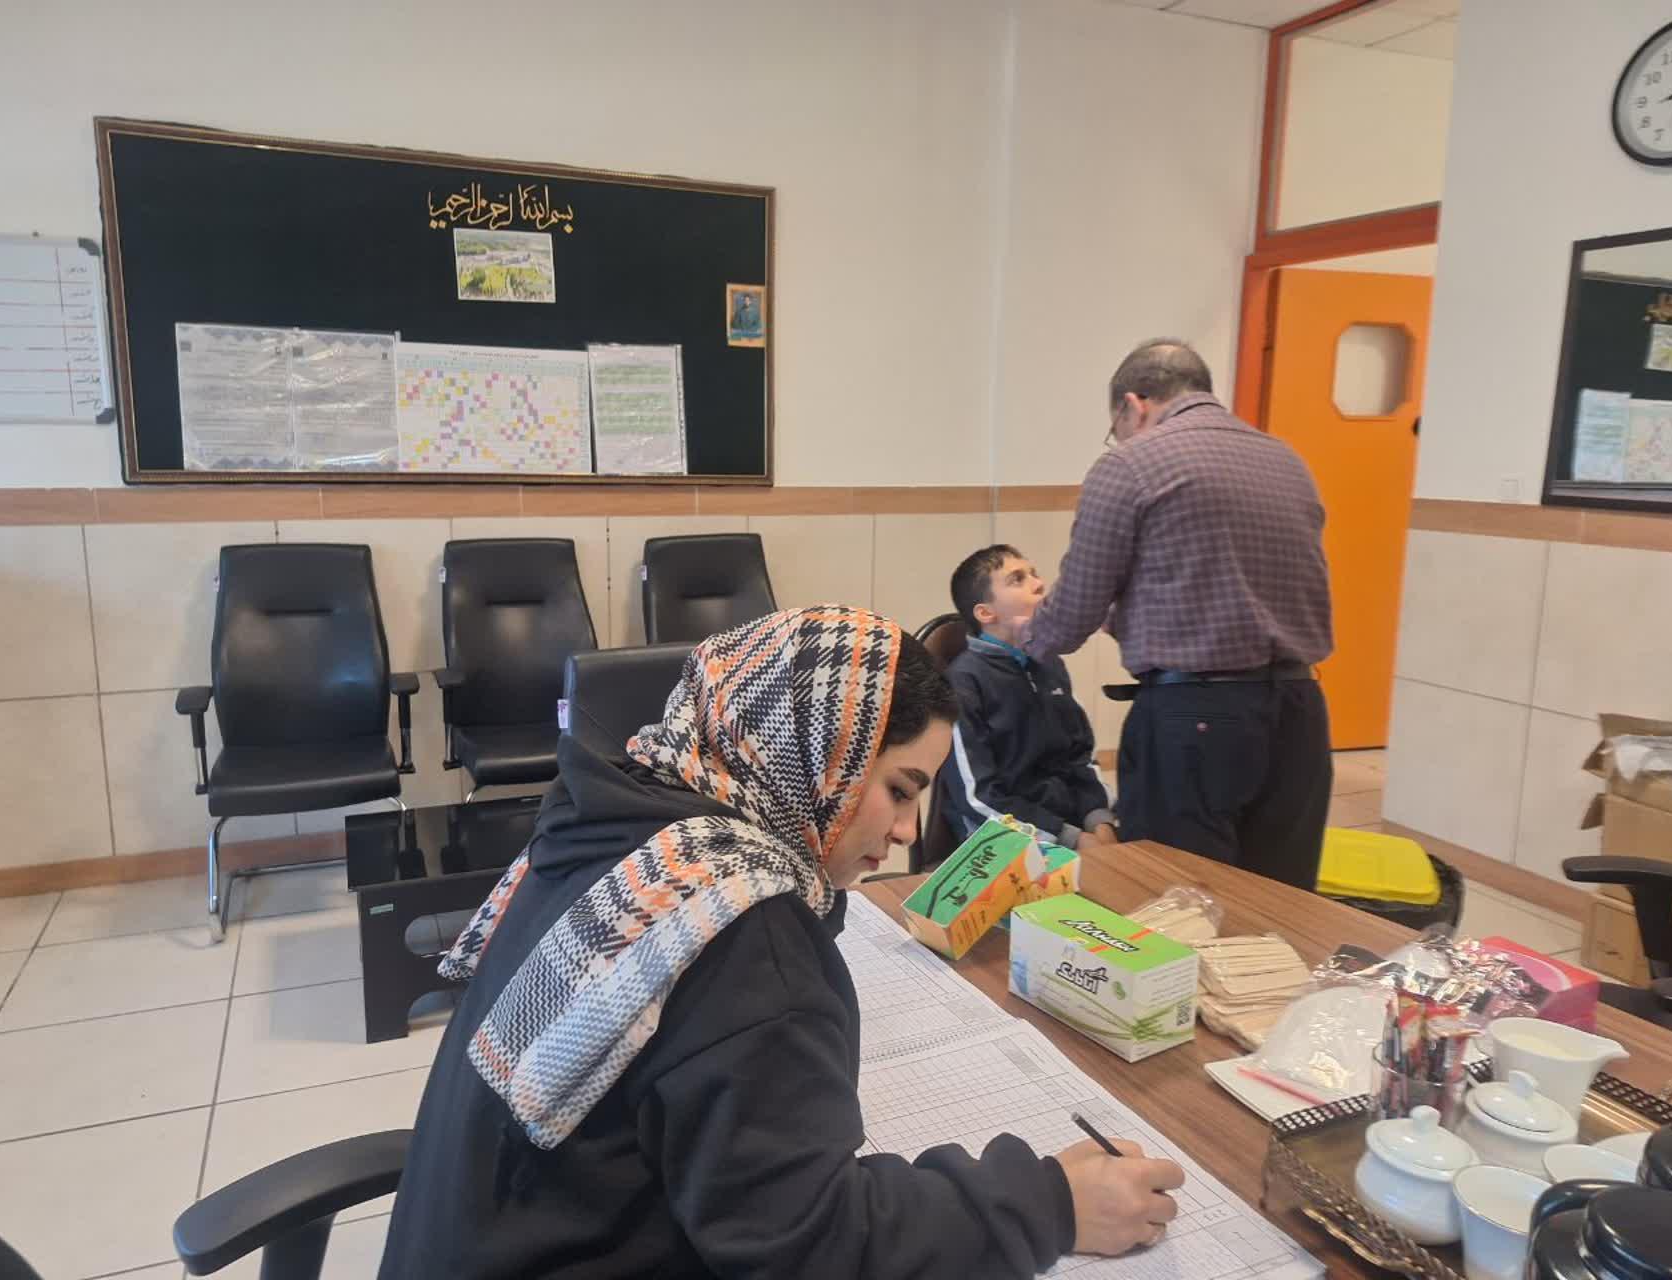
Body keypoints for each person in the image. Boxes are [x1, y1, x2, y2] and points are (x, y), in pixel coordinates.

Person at [381, 606, 1185, 1278]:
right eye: (898, 789)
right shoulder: (737, 924)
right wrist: (1049, 1205)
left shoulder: (621, 821)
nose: (907, 832)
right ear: (821, 758)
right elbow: (813, 1246)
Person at [1024, 339, 1334, 891]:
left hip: (1196, 718)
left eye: (1116, 427)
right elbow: (1228, 582)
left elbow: (1072, 612)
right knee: (1280, 902)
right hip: (1300, 710)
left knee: (1177, 899)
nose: (1119, 438)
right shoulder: (1286, 460)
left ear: (1133, 405)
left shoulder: (1130, 463)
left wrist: (1016, 646)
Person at [937, 545, 1117, 855]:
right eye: (1018, 579)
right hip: (1006, 839)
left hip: (1074, 829)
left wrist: (1100, 821)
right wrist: (1070, 838)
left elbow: (1080, 758)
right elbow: (977, 797)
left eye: (1034, 574)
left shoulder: (1050, 665)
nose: (1039, 584)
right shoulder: (963, 681)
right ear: (985, 613)